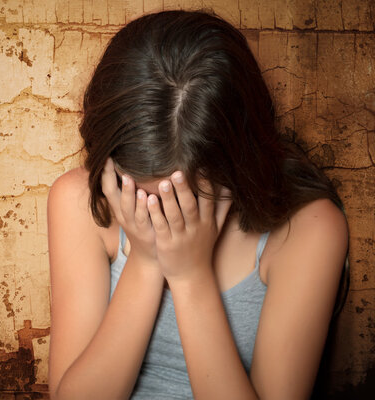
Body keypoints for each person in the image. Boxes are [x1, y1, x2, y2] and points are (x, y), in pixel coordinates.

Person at [46, 10, 349, 400]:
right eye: (142, 193)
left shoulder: (309, 229)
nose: (165, 214)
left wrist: (191, 276)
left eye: (189, 196)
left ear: (240, 161)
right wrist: (146, 261)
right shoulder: (78, 200)